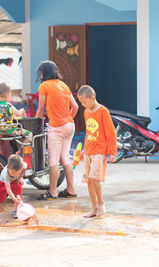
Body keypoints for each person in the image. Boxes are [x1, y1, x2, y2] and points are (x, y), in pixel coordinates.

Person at [35, 60, 79, 200]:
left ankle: (53, 192)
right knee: (65, 158)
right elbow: (76, 106)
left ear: (43, 73)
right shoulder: (63, 85)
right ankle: (71, 189)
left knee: (54, 159)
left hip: (57, 127)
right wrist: (67, 119)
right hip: (70, 126)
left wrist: (34, 125)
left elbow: (41, 110)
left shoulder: (44, 86)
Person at [76, 85, 117, 217]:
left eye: (85, 102)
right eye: (81, 102)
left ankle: (101, 204)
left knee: (94, 178)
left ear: (93, 98)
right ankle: (94, 208)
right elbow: (89, 133)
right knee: (88, 179)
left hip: (100, 150)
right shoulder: (86, 112)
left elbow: (111, 133)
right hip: (89, 150)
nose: (83, 105)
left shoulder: (103, 111)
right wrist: (83, 150)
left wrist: (113, 152)